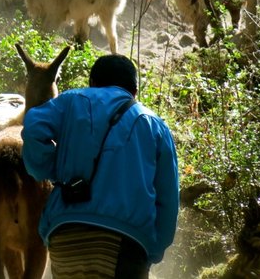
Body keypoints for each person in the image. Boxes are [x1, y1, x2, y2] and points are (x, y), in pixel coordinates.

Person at [21, 54, 179, 278]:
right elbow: (169, 199)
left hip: (65, 236)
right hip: (126, 243)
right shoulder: (155, 125)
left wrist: (48, 168)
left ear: (92, 82)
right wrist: (152, 250)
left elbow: (34, 126)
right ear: (135, 91)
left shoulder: (71, 101)